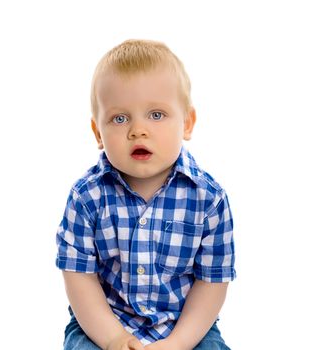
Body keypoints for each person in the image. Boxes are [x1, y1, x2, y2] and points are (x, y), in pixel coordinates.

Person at [56, 39, 236, 350]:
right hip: (102, 321)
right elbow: (78, 277)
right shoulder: (87, 197)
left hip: (186, 323)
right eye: (120, 118)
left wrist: (178, 343)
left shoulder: (209, 199)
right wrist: (113, 338)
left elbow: (212, 282)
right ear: (98, 133)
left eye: (156, 115)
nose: (138, 130)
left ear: (187, 123)